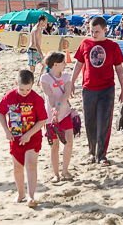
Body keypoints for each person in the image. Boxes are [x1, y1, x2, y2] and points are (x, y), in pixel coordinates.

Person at [71, 16, 123, 166]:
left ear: (105, 30)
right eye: (91, 31)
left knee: (103, 122)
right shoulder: (85, 43)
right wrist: (71, 82)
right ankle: (92, 152)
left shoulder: (113, 46)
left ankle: (101, 155)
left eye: (96, 31)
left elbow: (119, 68)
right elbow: (78, 64)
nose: (93, 34)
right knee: (90, 122)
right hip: (88, 88)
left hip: (107, 89)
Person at [0, 70, 47, 207]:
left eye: (28, 89)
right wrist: (6, 131)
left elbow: (42, 120)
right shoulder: (9, 96)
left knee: (31, 165)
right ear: (16, 84)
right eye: (22, 89)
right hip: (15, 138)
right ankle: (20, 193)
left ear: (32, 86)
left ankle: (31, 196)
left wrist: (29, 134)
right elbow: (1, 113)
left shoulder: (36, 99)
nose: (25, 92)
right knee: (17, 167)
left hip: (32, 137)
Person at [40, 52, 75, 183]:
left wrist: (59, 106)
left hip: (65, 113)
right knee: (54, 146)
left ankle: (65, 170)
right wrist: (54, 109)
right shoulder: (44, 78)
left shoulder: (66, 75)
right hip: (50, 117)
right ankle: (56, 174)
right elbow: (49, 95)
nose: (66, 64)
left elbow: (67, 91)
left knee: (69, 141)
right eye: (63, 62)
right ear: (55, 64)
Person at [27, 15, 46, 81]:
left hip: (35, 50)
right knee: (32, 70)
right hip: (32, 50)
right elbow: (36, 44)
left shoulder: (39, 29)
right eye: (45, 22)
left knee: (45, 65)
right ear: (41, 21)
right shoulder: (36, 30)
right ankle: (29, 82)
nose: (46, 23)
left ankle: (39, 81)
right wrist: (41, 54)